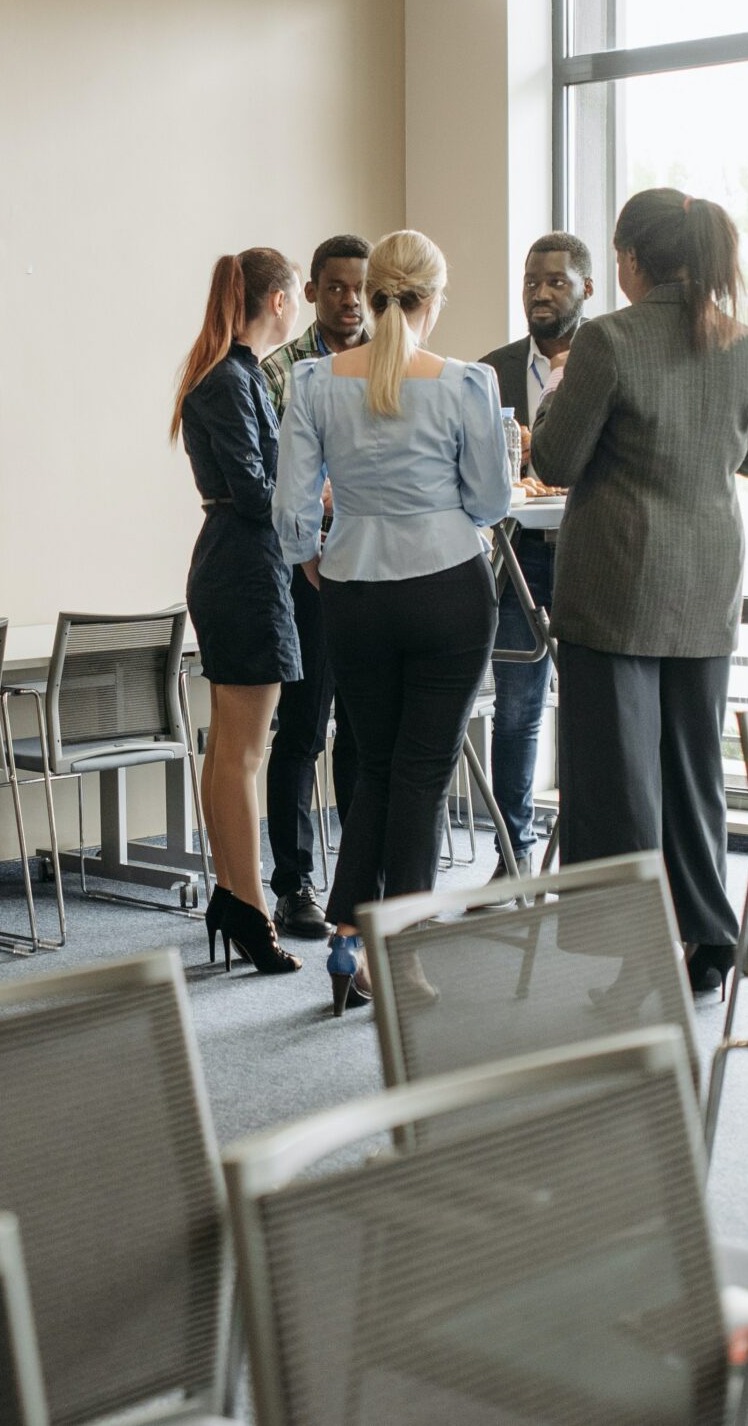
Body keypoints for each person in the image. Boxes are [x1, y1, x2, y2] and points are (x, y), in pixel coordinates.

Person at [530, 189, 748, 1001]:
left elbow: (558, 461)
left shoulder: (609, 339)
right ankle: (708, 938)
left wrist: (558, 402)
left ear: (631, 260)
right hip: (707, 588)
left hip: (616, 590)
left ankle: (641, 956)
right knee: (694, 771)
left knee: (620, 783)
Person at [275, 230, 506, 1015]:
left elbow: (291, 509)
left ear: (371, 294)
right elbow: (492, 501)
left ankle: (346, 938)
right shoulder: (464, 385)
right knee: (420, 774)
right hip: (447, 588)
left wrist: (314, 555)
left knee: (373, 766)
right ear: (432, 299)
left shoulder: (313, 381)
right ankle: (402, 953)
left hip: (355, 593)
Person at [171, 248, 305, 978]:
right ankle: (251, 906)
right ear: (279, 301)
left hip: (236, 562)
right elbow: (257, 492)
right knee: (242, 752)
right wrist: (310, 496)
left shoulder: (230, 372)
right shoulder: (232, 378)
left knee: (229, 747)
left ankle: (233, 895)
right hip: (244, 566)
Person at [477, 231, 600, 870]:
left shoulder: (607, 363)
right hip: (515, 559)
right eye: (532, 282)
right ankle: (512, 849)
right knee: (517, 709)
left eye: (556, 281)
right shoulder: (489, 371)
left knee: (591, 708)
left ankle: (586, 852)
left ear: (587, 288)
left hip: (589, 558)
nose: (541, 293)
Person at [257, 234, 367, 938]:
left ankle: (360, 879)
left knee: (361, 734)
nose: (349, 299)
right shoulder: (280, 372)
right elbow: (279, 482)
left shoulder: (389, 364)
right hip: (306, 571)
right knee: (302, 731)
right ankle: (294, 884)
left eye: (359, 287)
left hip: (374, 570)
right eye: (335, 287)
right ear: (312, 293)